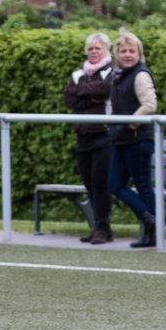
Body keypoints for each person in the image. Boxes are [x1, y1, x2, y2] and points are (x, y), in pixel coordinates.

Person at [61, 32, 115, 244]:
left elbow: (106, 89)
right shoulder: (77, 74)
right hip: (82, 136)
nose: (93, 52)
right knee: (89, 184)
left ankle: (102, 228)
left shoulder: (111, 72)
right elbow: (68, 98)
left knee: (100, 183)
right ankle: (99, 227)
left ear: (106, 50)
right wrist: (90, 97)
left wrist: (81, 94)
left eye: (98, 48)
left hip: (103, 135)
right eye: (90, 48)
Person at [107, 31, 159, 248]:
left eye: (132, 51)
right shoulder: (117, 75)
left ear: (139, 53)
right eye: (123, 51)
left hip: (138, 139)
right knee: (115, 183)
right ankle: (148, 219)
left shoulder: (140, 75)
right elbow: (113, 104)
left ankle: (152, 231)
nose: (127, 55)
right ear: (117, 54)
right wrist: (111, 123)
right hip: (122, 139)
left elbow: (149, 105)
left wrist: (128, 124)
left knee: (144, 186)